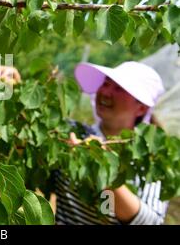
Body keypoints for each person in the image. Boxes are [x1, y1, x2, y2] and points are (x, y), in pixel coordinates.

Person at [52, 61, 169, 225]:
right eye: (105, 83)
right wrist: (7, 87)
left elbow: (151, 222)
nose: (105, 92)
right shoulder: (71, 132)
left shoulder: (150, 158)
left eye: (119, 88)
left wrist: (103, 168)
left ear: (141, 108)